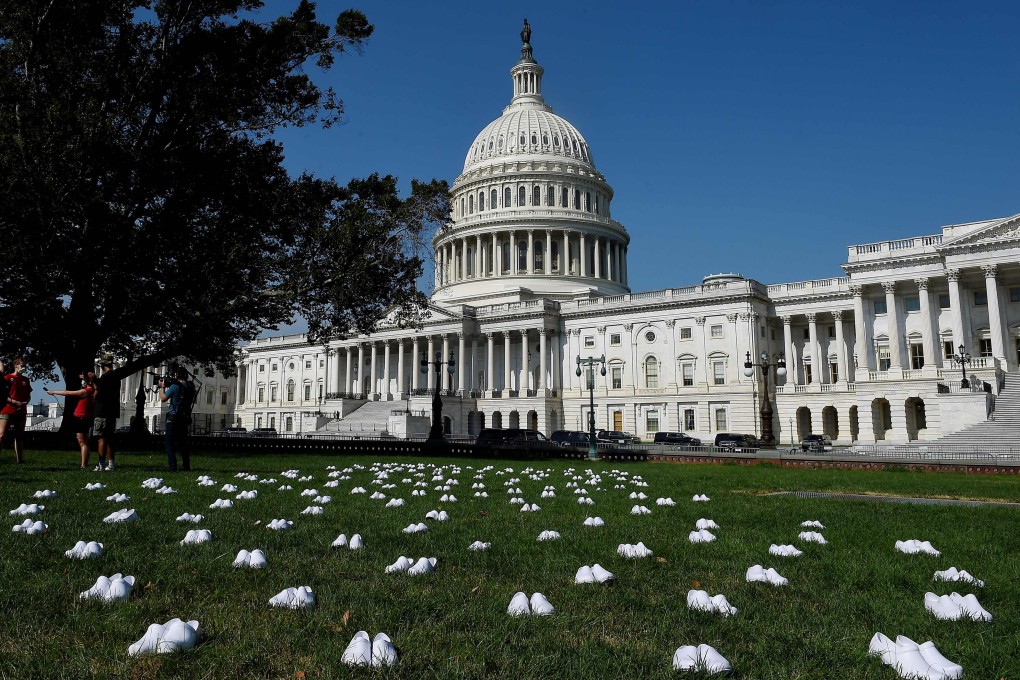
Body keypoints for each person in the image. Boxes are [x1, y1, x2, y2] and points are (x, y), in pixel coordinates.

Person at [46, 369, 97, 469]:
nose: (82, 382)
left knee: (83, 443)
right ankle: (83, 464)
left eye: (84, 380)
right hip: (84, 417)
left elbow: (68, 393)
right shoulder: (94, 391)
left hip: (81, 417)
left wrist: (53, 392)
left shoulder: (86, 391)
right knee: (82, 441)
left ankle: (83, 465)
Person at [160, 366, 195, 472]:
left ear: (176, 375)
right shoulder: (191, 386)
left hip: (173, 417)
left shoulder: (175, 386)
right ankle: (186, 466)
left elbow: (163, 398)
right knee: (183, 443)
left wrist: (162, 387)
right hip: (185, 416)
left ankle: (173, 466)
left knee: (169, 443)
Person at [0, 357, 32, 463]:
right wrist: (14, 402)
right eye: (21, 365)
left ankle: (20, 459)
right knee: (2, 434)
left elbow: (29, 395)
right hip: (7, 409)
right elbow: (3, 395)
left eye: (24, 365)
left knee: (19, 435)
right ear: (16, 365)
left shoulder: (26, 380)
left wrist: (25, 402)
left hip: (21, 410)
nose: (23, 367)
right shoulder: (7, 378)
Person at [92, 361, 121, 471]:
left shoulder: (104, 377)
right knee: (110, 438)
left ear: (103, 366)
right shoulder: (116, 377)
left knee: (101, 438)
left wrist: (94, 383)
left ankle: (101, 465)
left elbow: (97, 394)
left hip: (102, 411)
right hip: (112, 411)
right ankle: (111, 463)